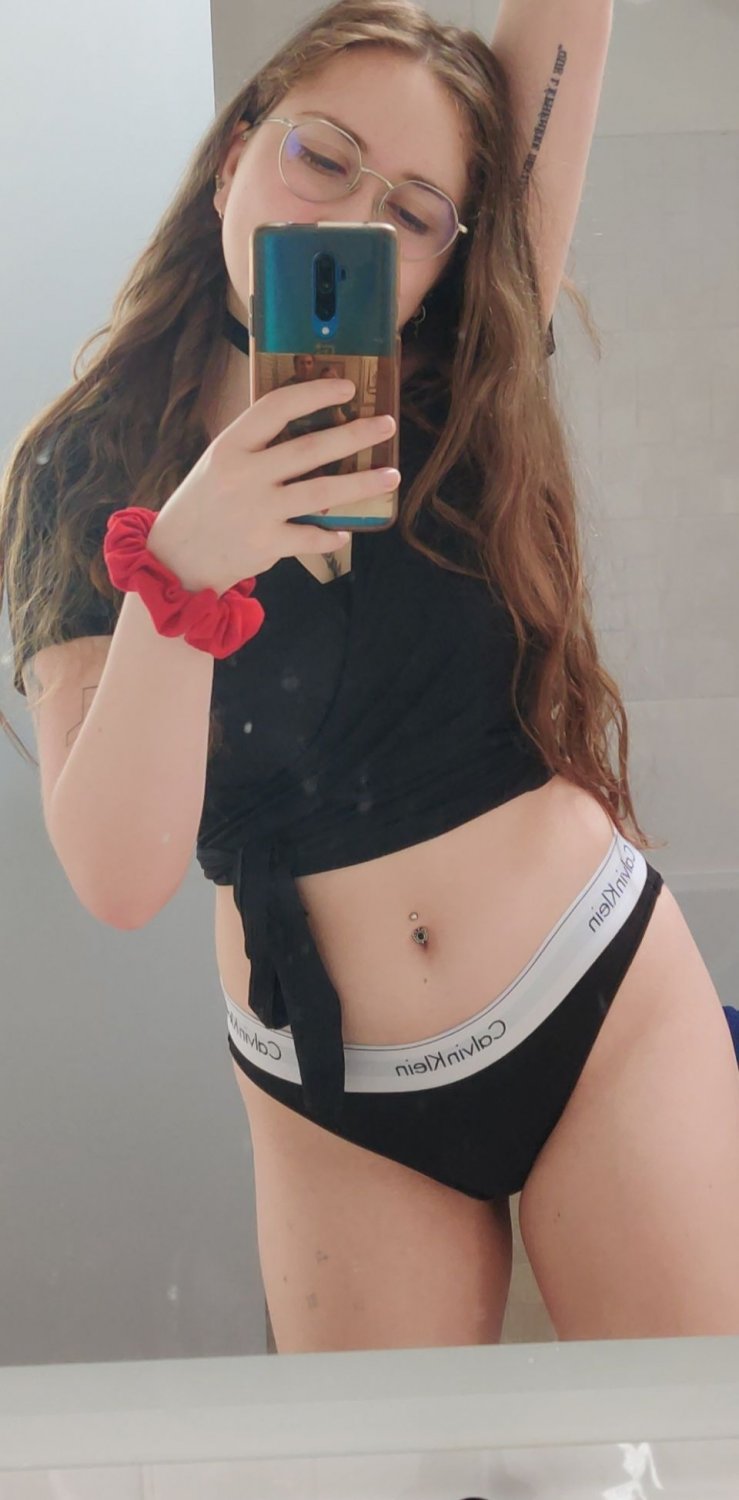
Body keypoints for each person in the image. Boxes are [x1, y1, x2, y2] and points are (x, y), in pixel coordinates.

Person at [2, 0, 739, 1357]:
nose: (351, 217)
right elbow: (118, 874)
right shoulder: (87, 474)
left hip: (593, 1009)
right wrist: (182, 571)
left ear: (450, 258)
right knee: (393, 1463)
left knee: (693, 1444)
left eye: (412, 211)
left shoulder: (468, 374)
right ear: (235, 155)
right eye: (321, 155)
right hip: (334, 1097)